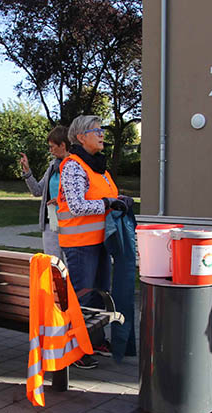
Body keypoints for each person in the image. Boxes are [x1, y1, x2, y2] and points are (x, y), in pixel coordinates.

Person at [58, 115, 133, 369]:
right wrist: (107, 203)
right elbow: (77, 205)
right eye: (96, 130)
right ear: (80, 137)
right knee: (83, 297)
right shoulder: (73, 166)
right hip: (80, 244)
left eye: (102, 130)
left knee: (100, 295)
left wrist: (120, 199)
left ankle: (95, 340)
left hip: (101, 242)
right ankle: (77, 349)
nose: (102, 134)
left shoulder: (99, 167)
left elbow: (105, 197)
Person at [19, 125, 70, 259]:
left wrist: (60, 201)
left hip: (70, 224)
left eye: (52, 146)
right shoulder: (52, 166)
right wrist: (27, 172)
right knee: (53, 265)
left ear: (63, 145)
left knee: (72, 268)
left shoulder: (74, 166)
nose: (50, 151)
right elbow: (37, 191)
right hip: (51, 223)